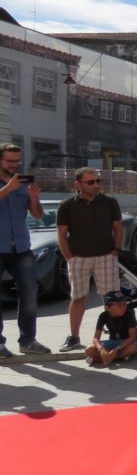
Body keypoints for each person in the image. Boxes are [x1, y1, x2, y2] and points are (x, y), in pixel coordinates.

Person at [54, 168, 123, 352]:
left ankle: (118, 335)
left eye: (98, 181)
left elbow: (118, 228)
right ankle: (74, 337)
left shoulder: (109, 202)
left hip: (106, 256)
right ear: (77, 184)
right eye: (90, 182)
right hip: (78, 258)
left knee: (112, 298)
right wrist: (70, 257)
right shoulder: (67, 205)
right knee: (78, 297)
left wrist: (115, 250)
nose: (96, 185)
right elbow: (61, 234)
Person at [0, 143, 51, 357]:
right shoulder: (12, 185)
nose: (14, 165)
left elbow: (38, 215)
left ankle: (28, 341)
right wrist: (8, 188)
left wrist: (33, 197)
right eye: (10, 161)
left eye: (17, 161)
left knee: (30, 294)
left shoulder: (22, 184)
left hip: (21, 247)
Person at [83, 290, 137, 366]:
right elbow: (96, 338)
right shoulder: (103, 316)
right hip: (113, 341)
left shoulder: (129, 314)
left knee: (134, 348)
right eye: (119, 305)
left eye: (124, 304)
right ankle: (119, 357)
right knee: (88, 350)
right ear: (108, 308)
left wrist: (116, 349)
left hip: (127, 342)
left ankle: (105, 358)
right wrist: (101, 349)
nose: (123, 307)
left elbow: (133, 337)